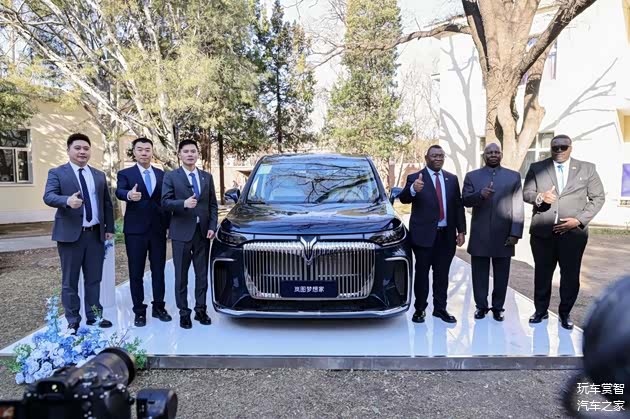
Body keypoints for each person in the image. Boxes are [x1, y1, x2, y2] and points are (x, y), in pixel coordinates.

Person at [523, 134, 605, 330]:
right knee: (542, 274)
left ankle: (565, 313)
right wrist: (540, 197)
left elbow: (598, 198)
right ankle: (540, 311)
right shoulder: (537, 167)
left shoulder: (587, 168)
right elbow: (526, 193)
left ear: (571, 147)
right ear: (550, 148)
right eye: (555, 147)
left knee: (570, 275)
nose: (559, 150)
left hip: (573, 234)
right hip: (543, 233)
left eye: (563, 147)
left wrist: (579, 220)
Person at [43, 133, 114, 333]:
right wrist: (67, 200)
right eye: (77, 148)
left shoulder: (98, 175)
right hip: (70, 236)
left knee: (94, 279)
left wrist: (109, 228)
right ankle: (73, 320)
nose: (82, 152)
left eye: (86, 148)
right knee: (70, 281)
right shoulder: (57, 173)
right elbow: (48, 196)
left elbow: (106, 203)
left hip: (95, 235)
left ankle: (94, 316)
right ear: (68, 150)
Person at [399, 145, 466, 324]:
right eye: (434, 155)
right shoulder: (415, 178)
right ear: (426, 158)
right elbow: (404, 198)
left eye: (441, 156)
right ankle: (420, 309)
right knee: (422, 274)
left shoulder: (451, 179)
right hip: (423, 236)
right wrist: (413, 189)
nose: (438, 158)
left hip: (446, 236)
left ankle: (440, 309)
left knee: (442, 274)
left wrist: (461, 230)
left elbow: (458, 206)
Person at [462, 143, 524, 322]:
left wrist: (515, 233)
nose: (493, 154)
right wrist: (480, 195)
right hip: (480, 234)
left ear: (501, 154)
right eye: (490, 152)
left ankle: (498, 308)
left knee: (502, 275)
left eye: (497, 152)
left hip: (504, 234)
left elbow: (518, 206)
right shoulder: (472, 176)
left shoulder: (513, 176)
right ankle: (481, 306)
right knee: (479, 274)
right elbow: (465, 200)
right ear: (484, 155)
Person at [161, 139, 218, 329]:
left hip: (203, 234)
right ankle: (184, 313)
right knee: (181, 276)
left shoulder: (206, 177)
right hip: (181, 233)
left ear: (197, 154)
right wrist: (183, 204)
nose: (190, 154)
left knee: (202, 276)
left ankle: (201, 310)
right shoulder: (171, 176)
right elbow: (165, 202)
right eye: (186, 151)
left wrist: (212, 226)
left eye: (193, 151)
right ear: (179, 154)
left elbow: (212, 205)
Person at [115, 137, 171, 327]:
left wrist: (168, 225)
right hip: (135, 231)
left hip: (158, 230)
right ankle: (139, 311)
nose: (144, 153)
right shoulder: (125, 173)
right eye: (140, 149)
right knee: (136, 272)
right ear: (134, 152)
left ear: (152, 152)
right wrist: (129, 195)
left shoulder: (161, 174)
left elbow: (166, 200)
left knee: (159, 271)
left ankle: (159, 307)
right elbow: (119, 191)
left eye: (147, 149)